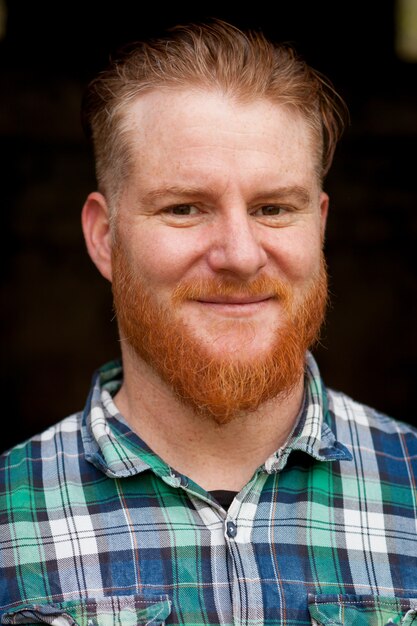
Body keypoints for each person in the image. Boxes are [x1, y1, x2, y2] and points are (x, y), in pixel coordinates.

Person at [1, 17, 416, 626]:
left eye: (274, 208)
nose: (241, 255)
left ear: (320, 226)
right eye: (185, 208)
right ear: (104, 237)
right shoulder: (10, 518)